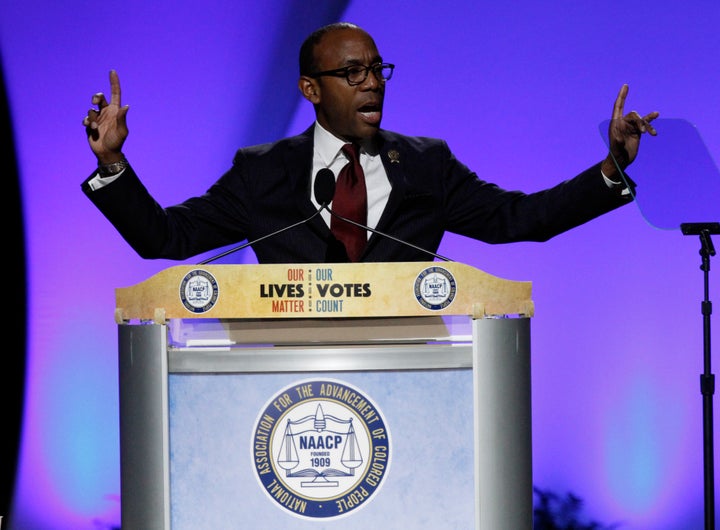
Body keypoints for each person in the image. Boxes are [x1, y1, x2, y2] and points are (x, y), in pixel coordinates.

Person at [82, 21, 658, 264]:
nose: (373, 82)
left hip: (407, 376)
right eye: (353, 72)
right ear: (311, 88)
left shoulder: (426, 165)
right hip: (287, 385)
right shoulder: (263, 172)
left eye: (378, 69)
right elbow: (167, 237)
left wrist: (612, 166)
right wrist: (112, 161)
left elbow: (520, 218)